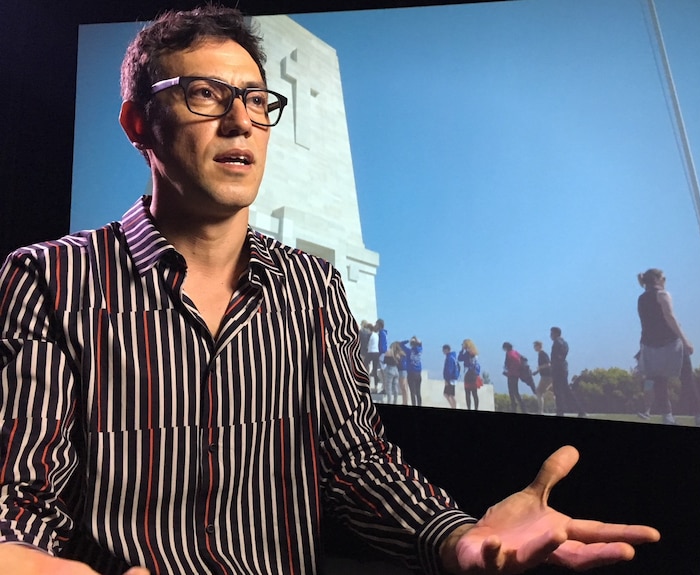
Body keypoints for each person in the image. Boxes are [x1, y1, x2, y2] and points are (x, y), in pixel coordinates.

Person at [0, 7, 659, 574]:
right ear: (138, 124)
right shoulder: (49, 281)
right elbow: (19, 499)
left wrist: (460, 537)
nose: (241, 121)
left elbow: (355, 461)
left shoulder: (313, 287)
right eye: (205, 93)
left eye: (257, 99)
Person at [636, 268, 693, 425]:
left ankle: (649, 410)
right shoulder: (659, 296)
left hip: (650, 348)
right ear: (658, 279)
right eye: (664, 278)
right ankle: (647, 409)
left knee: (653, 383)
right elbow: (666, 318)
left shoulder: (642, 299)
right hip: (661, 347)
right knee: (651, 383)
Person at [550, 327, 587, 417]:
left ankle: (560, 411)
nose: (550, 335)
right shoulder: (565, 343)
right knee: (566, 391)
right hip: (563, 369)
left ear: (555, 334)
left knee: (558, 391)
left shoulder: (556, 343)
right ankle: (580, 410)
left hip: (558, 370)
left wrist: (553, 368)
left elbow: (556, 358)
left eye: (551, 333)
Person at [502, 342, 529, 414]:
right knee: (516, 391)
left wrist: (505, 372)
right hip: (517, 374)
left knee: (511, 392)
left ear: (506, 348)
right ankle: (523, 408)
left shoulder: (508, 354)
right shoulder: (516, 352)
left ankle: (514, 408)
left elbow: (506, 364)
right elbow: (523, 359)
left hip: (511, 375)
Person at [458, 339, 482, 410]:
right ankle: (476, 408)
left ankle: (469, 408)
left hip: (468, 373)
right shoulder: (475, 352)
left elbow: (460, 358)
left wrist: (462, 350)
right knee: (475, 393)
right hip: (474, 374)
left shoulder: (468, 353)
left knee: (467, 392)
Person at [401, 337, 424, 406]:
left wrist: (408, 339)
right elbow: (420, 344)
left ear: (411, 344)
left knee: (412, 392)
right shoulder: (420, 350)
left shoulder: (408, 351)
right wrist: (417, 340)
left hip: (411, 373)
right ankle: (420, 405)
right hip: (418, 373)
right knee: (418, 392)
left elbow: (401, 344)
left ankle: (414, 405)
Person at [533, 340, 554, 414]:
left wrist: (539, 367)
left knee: (539, 392)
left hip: (546, 376)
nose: (534, 348)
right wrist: (537, 371)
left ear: (539, 346)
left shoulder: (542, 354)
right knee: (548, 391)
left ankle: (540, 411)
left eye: (535, 346)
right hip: (547, 376)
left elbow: (548, 364)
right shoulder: (541, 354)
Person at [381, 340, 404, 405]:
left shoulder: (388, 352)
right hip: (396, 370)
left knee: (389, 387)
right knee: (395, 386)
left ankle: (389, 401)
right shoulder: (398, 354)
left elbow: (384, 361)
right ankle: (395, 401)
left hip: (389, 369)